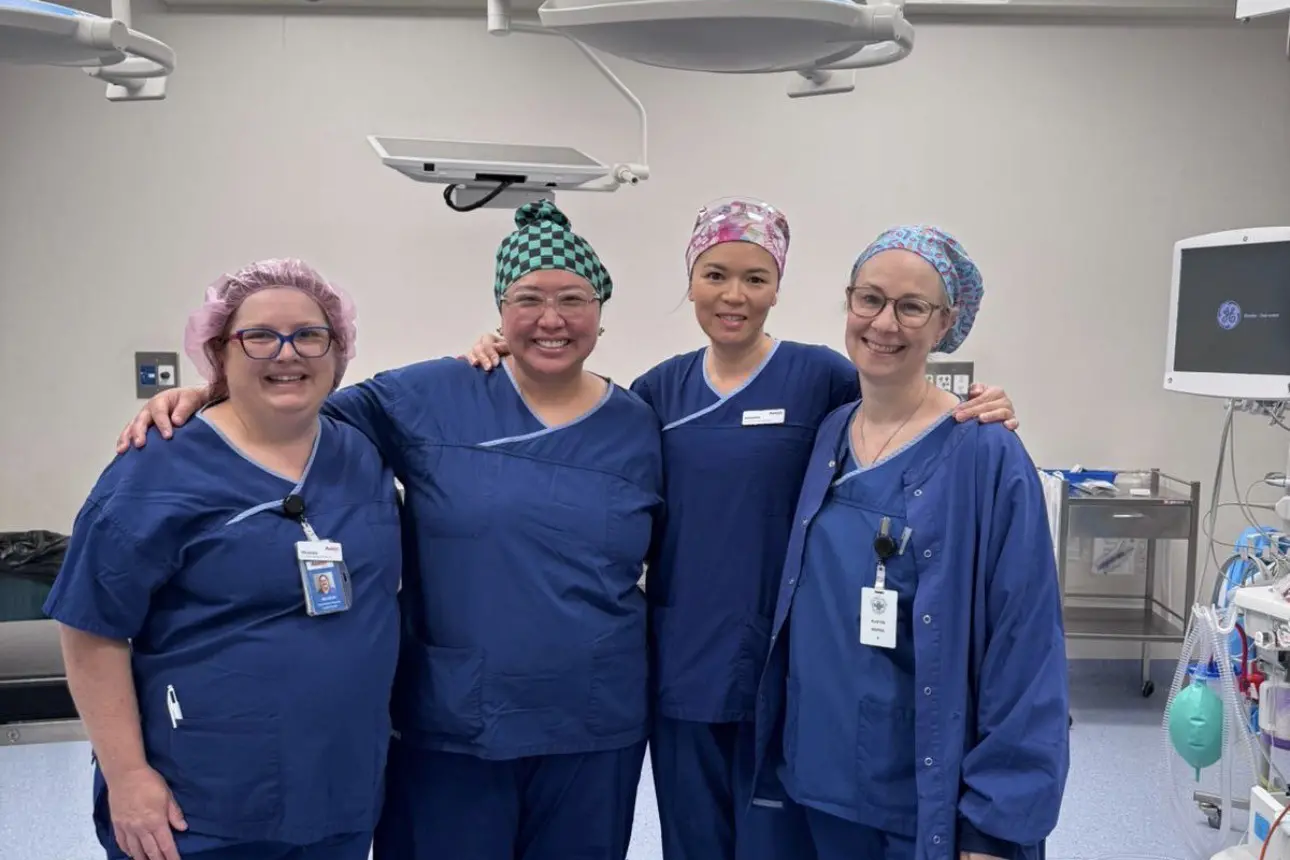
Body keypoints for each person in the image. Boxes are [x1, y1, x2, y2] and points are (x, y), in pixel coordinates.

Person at [461, 197, 1021, 860]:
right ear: (691, 280)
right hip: (681, 670)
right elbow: (578, 427)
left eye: (755, 278)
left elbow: (899, 412)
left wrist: (981, 404)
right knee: (695, 843)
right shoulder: (658, 392)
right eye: (715, 274)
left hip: (788, 672)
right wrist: (507, 349)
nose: (734, 295)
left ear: (778, 287)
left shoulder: (821, 377)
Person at [114, 200, 664, 860]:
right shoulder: (432, 393)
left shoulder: (637, 423)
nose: (551, 319)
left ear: (602, 313)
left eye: (573, 298)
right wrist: (207, 394)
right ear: (499, 309)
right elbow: (296, 402)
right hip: (457, 724)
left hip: (596, 723)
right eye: (528, 298)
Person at [46, 259, 403, 860]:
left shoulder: (361, 450)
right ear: (219, 352)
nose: (286, 353)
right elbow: (89, 629)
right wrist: (128, 777)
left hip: (340, 789)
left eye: (310, 335)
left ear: (338, 349)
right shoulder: (154, 470)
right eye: (259, 337)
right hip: (201, 801)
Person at [750, 225, 1070, 860]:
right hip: (815, 776)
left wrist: (995, 825)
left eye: (912, 306)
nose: (884, 323)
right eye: (869, 299)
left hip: (919, 792)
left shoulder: (985, 452)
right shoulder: (831, 434)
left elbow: (1025, 647)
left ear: (945, 322)